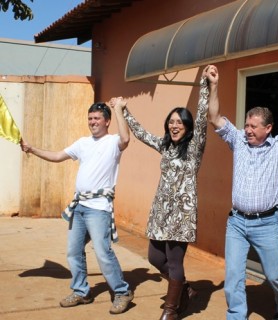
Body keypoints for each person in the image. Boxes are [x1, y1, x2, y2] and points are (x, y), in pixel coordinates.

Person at [109, 66, 210, 320]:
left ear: (187, 127)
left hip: (181, 215)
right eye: (171, 122)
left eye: (179, 122)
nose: (174, 125)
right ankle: (184, 289)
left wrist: (207, 85)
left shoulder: (194, 148)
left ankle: (171, 310)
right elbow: (141, 134)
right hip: (160, 211)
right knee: (155, 258)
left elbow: (201, 117)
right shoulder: (165, 145)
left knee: (175, 263)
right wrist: (124, 111)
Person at [20, 101, 134, 315]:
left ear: (107, 121)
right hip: (79, 206)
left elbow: (126, 138)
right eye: (90, 118)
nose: (92, 122)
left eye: (97, 118)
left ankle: (122, 292)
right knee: (73, 252)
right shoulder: (82, 143)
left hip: (99, 208)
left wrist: (118, 109)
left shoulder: (113, 142)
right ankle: (81, 291)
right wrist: (32, 149)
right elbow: (56, 156)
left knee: (103, 252)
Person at [205, 65, 278, 320]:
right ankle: (236, 315)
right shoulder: (239, 142)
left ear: (268, 128)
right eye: (246, 124)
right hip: (236, 222)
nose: (248, 130)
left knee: (276, 276)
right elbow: (214, 117)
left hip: (266, 223)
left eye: (254, 126)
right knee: (233, 276)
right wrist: (213, 85)